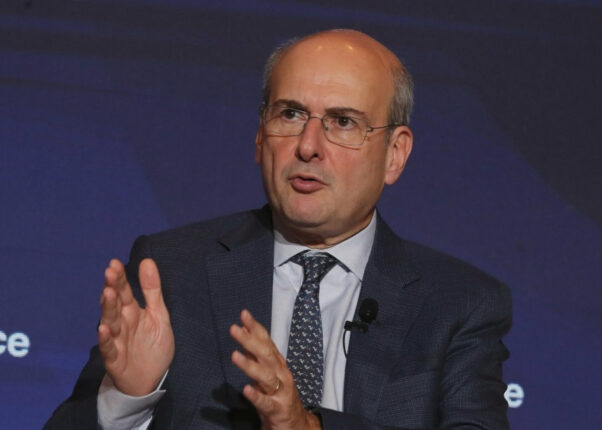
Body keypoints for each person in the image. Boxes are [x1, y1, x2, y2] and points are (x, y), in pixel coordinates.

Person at [45, 29, 512, 429]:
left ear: (395, 154)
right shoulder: (171, 271)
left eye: (342, 122)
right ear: (259, 136)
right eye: (290, 114)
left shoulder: (458, 305)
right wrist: (129, 397)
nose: (308, 146)